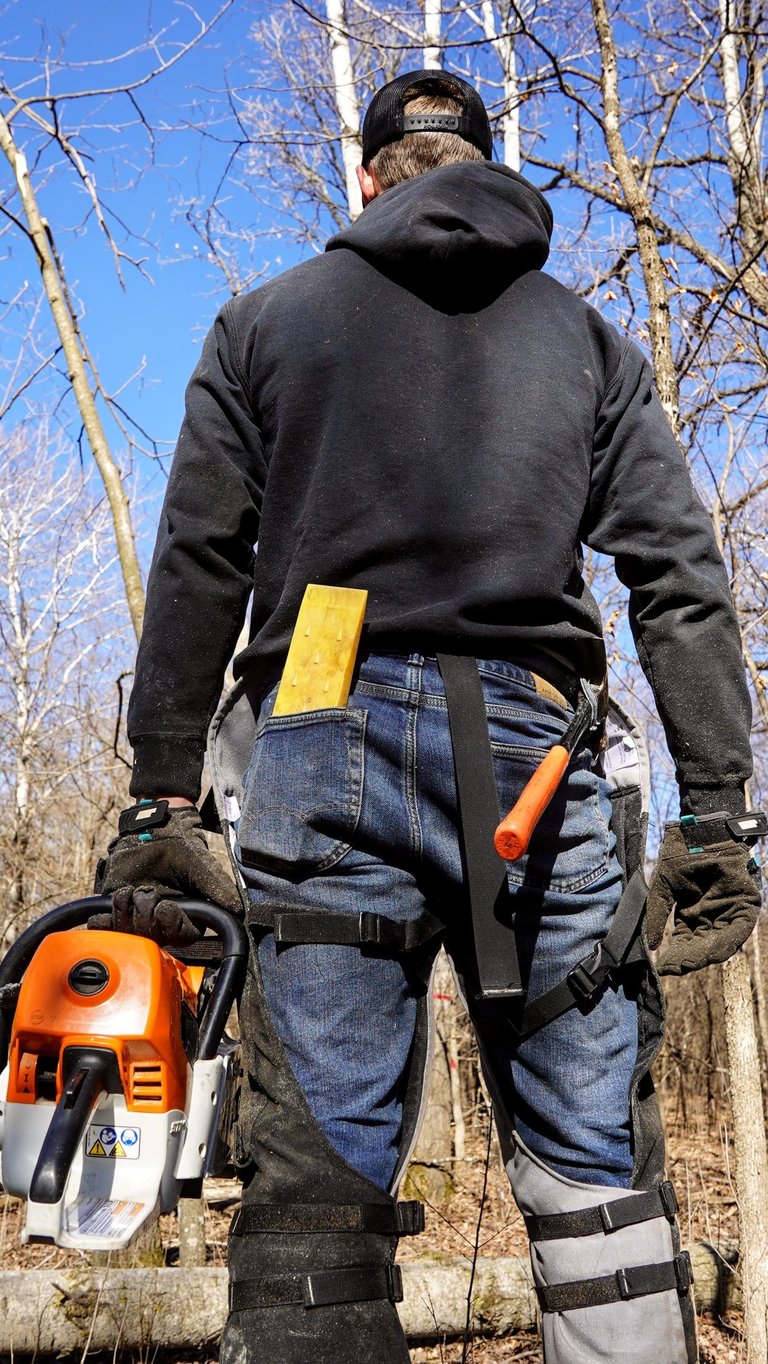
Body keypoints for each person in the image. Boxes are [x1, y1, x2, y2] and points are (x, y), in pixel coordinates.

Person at [97, 70, 761, 1364]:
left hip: (321, 733)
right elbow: (680, 575)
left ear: (365, 181)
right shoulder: (587, 341)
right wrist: (722, 815)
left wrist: (160, 797)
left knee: (318, 1204)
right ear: (487, 169)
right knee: (600, 1197)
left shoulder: (264, 325)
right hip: (545, 760)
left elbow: (196, 562)